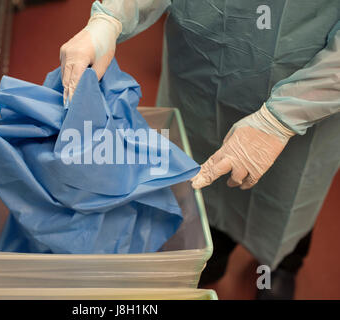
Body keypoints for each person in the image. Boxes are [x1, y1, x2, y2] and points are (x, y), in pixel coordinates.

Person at [59, 0, 340, 299]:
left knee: (286, 202)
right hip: (200, 81)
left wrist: (282, 119)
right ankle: (209, 261)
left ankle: (279, 265)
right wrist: (111, 18)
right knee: (201, 190)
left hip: (306, 99)